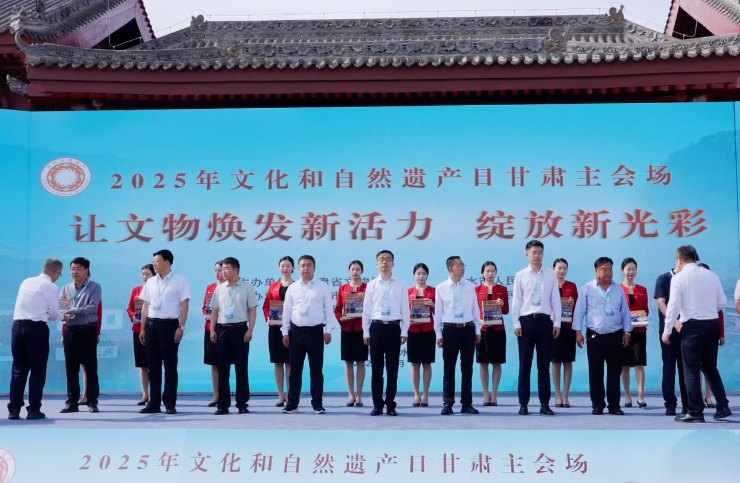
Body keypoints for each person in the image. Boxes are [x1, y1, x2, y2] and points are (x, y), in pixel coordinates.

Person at [662, 245, 731, 423]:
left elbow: (673, 306)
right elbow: (722, 302)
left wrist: (667, 330)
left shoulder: (678, 278)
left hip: (692, 327)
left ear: (679, 259)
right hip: (712, 325)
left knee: (691, 370)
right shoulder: (711, 275)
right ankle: (722, 406)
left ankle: (695, 411)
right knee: (710, 368)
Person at [573, 257, 632, 415]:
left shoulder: (618, 289)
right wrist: (578, 332)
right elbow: (579, 312)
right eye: (604, 269)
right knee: (595, 372)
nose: (608, 273)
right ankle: (597, 404)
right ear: (596, 271)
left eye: (610, 269)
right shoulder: (587, 288)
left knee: (614, 372)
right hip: (595, 336)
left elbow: (625, 311)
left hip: (615, 336)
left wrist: (627, 332)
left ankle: (614, 405)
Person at [8, 259, 62, 421]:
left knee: (18, 370)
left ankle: (14, 410)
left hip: (17, 328)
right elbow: (54, 314)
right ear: (54, 272)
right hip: (36, 330)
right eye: (59, 274)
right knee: (37, 370)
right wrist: (65, 316)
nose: (58, 277)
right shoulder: (51, 287)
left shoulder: (26, 281)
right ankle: (34, 410)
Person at [281, 255, 336, 414]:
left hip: (316, 332)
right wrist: (285, 331)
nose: (306, 268)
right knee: (294, 371)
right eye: (303, 265)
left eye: (309, 265)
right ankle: (292, 404)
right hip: (296, 332)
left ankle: (317, 404)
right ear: (298, 268)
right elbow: (287, 311)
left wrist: (328, 331)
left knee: (316, 371)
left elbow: (329, 310)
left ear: (314, 267)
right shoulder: (293, 287)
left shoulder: (322, 287)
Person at [511, 240, 561, 416]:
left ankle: (544, 404)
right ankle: (523, 404)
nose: (537, 255)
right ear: (527, 254)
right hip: (526, 323)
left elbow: (555, 299)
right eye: (534, 252)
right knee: (525, 365)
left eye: (540, 252)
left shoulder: (550, 274)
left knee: (543, 367)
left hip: (545, 322)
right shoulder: (521, 275)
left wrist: (557, 323)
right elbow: (516, 301)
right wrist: (516, 323)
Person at [139, 249, 191, 415]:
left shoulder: (180, 280)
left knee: (170, 366)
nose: (154, 264)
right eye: (153, 261)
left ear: (167, 262)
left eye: (157, 261)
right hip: (152, 325)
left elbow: (185, 305)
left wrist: (181, 327)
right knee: (153, 366)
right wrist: (142, 328)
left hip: (170, 325)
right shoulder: (150, 282)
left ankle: (169, 403)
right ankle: (153, 403)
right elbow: (145, 306)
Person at [361, 250, 409, 416]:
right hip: (376, 328)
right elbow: (367, 310)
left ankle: (390, 404)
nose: (384, 262)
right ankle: (377, 404)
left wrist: (404, 330)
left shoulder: (400, 284)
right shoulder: (372, 285)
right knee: (376, 370)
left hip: (394, 328)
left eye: (388, 259)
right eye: (381, 259)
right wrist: (366, 332)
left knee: (392, 369)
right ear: (377, 263)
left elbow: (405, 309)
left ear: (393, 263)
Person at [209, 257, 258, 415]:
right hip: (222, 330)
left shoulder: (247, 287)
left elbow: (252, 310)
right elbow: (214, 310)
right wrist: (212, 330)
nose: (223, 271)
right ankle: (223, 404)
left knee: (241, 368)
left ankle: (242, 403)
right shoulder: (219, 289)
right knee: (222, 368)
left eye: (227, 268)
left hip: (240, 330)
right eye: (222, 268)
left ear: (236, 270)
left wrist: (250, 330)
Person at [435, 256, 482, 415]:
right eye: (460, 265)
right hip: (449, 330)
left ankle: (466, 403)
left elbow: (475, 310)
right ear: (451, 268)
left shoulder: (470, 286)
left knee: (467, 368)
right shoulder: (441, 287)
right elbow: (438, 313)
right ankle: (448, 403)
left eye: (463, 264)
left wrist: (477, 331)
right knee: (449, 368)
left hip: (467, 329)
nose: (463, 267)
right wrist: (438, 334)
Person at [58, 257, 102, 414]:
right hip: (70, 330)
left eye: (78, 269)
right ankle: (72, 402)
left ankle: (92, 401)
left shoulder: (95, 287)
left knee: (90, 367)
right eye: (72, 269)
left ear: (86, 270)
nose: (74, 272)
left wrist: (74, 310)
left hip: (87, 330)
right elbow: (62, 308)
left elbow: (92, 307)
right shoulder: (65, 288)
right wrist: (64, 326)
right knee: (71, 367)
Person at [654, 259, 688, 416]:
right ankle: (670, 404)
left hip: (686, 332)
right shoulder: (663, 279)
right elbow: (661, 303)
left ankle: (687, 404)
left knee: (686, 370)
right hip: (668, 332)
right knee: (668, 368)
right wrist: (674, 322)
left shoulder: (688, 279)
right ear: (679, 260)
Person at [334, 260, 368, 407]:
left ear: (362, 271)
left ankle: (359, 395)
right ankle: (351, 395)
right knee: (348, 362)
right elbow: (337, 309)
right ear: (349, 271)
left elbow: (373, 307)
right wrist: (341, 318)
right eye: (353, 269)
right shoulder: (343, 288)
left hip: (362, 329)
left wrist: (365, 297)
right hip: (347, 329)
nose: (355, 272)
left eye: (358, 269)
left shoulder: (367, 288)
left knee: (361, 362)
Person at [475, 261, 509, 407]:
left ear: (496, 272)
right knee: (483, 362)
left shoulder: (502, 289)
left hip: (498, 330)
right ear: (482, 273)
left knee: (497, 362)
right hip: (482, 331)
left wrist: (502, 304)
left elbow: (506, 311)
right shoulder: (476, 289)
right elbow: (473, 310)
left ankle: (494, 394)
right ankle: (485, 393)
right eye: (487, 271)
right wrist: (480, 321)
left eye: (493, 271)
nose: (490, 274)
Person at [262, 256, 294, 406]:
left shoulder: (297, 286)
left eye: (287, 266)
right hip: (275, 329)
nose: (285, 269)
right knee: (278, 362)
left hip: (292, 330)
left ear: (293, 268)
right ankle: (281, 395)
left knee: (290, 363)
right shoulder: (273, 286)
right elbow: (266, 306)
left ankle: (290, 395)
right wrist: (268, 318)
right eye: (282, 266)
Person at [620, 257, 649, 409]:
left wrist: (642, 317)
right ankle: (627, 396)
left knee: (639, 363)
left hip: (639, 331)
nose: (631, 272)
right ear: (622, 270)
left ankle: (640, 396)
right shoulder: (617, 289)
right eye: (628, 269)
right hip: (623, 332)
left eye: (634, 269)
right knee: (624, 365)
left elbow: (646, 310)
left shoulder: (643, 290)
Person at [407, 263, 435, 408]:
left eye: (424, 273)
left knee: (427, 363)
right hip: (413, 331)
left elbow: (441, 312)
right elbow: (403, 310)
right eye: (418, 273)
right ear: (414, 275)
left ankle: (425, 394)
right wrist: (408, 319)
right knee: (415, 364)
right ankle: (416, 394)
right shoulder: (408, 291)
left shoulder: (433, 291)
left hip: (428, 331)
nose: (421, 276)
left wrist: (433, 304)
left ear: (427, 275)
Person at [551, 258, 578, 408]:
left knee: (568, 362)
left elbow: (578, 308)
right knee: (555, 361)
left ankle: (566, 395)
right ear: (553, 269)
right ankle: (558, 395)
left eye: (564, 268)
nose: (562, 271)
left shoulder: (572, 286)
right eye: (559, 268)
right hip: (553, 328)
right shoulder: (549, 285)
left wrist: (572, 304)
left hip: (568, 328)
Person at [127, 263, 154, 405]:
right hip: (137, 330)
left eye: (148, 274)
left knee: (153, 364)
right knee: (143, 365)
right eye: (143, 274)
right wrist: (133, 316)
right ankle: (145, 394)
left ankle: (154, 395)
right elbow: (130, 308)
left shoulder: (157, 290)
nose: (145, 277)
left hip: (152, 330)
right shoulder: (136, 290)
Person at [202, 261, 224, 407]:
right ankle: (216, 394)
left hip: (224, 327)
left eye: (220, 270)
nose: (217, 273)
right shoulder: (210, 287)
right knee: (213, 363)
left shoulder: (229, 287)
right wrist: (206, 314)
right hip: (210, 328)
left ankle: (224, 394)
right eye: (215, 270)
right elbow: (205, 306)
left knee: (224, 363)